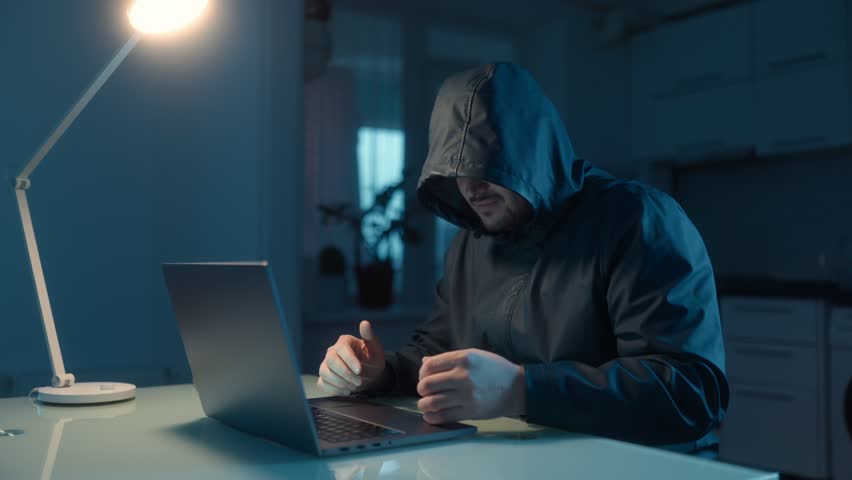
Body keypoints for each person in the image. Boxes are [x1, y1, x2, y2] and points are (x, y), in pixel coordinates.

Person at [317, 62, 728, 455]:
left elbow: (692, 391)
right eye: (455, 170)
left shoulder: (638, 220)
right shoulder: (471, 242)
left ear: (531, 156)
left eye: (487, 166)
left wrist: (522, 388)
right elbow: (438, 350)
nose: (470, 188)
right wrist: (379, 373)